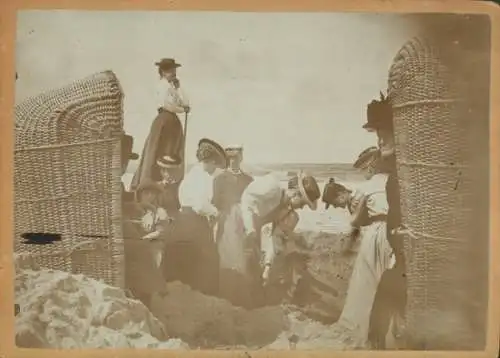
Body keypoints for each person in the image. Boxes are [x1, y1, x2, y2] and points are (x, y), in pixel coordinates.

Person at [321, 152, 392, 348]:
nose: (338, 207)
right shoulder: (390, 180)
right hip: (394, 232)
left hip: (378, 233)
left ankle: (361, 327)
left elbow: (356, 221)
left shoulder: (364, 189)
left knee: (365, 281)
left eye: (336, 203)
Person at [362, 92, 407, 349]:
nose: (379, 139)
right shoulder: (395, 175)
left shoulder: (405, 174)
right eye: (377, 132)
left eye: (385, 132)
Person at [236, 171, 321, 308]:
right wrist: (250, 227)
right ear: (295, 194)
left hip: (256, 234)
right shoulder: (271, 186)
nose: (301, 207)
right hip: (240, 220)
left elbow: (273, 238)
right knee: (240, 266)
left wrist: (268, 266)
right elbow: (246, 200)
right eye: (303, 203)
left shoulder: (287, 213)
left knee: (260, 268)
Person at [161, 138, 227, 296]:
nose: (215, 169)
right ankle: (205, 295)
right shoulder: (202, 176)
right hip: (194, 223)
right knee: (207, 259)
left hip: (184, 221)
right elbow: (200, 205)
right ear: (210, 161)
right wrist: (216, 213)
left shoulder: (193, 174)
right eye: (215, 165)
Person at [130, 58, 190, 191]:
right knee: (158, 152)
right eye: (170, 70)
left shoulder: (172, 87)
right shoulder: (162, 86)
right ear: (163, 71)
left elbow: (185, 103)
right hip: (164, 121)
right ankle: (150, 184)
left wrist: (179, 88)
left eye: (174, 69)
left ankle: (169, 186)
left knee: (171, 152)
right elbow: (167, 105)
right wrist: (182, 109)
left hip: (173, 122)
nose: (173, 72)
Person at [212, 145, 254, 306]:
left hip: (244, 220)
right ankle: (226, 298)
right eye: (230, 158)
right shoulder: (219, 179)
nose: (233, 161)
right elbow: (215, 203)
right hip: (227, 219)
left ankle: (243, 298)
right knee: (226, 256)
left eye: (236, 158)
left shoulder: (248, 180)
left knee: (244, 257)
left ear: (241, 158)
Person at [123, 180, 171, 309]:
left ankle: (151, 297)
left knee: (153, 260)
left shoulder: (160, 212)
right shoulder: (133, 209)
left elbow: (160, 232)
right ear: (140, 194)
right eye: (146, 193)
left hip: (152, 244)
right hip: (136, 246)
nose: (149, 196)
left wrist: (145, 239)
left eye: (152, 193)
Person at [120, 133, 139, 210]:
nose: (125, 165)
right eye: (123, 160)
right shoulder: (108, 183)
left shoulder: (118, 183)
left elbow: (123, 198)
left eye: (126, 160)